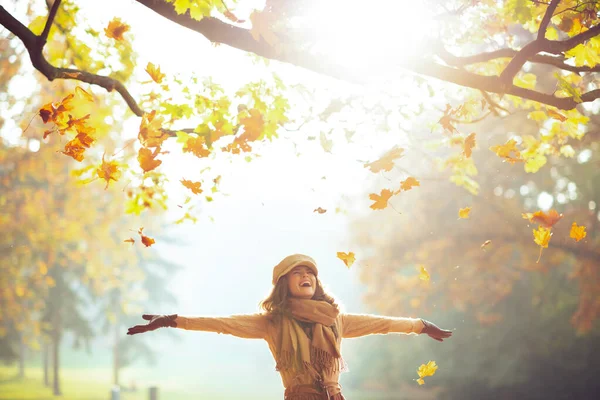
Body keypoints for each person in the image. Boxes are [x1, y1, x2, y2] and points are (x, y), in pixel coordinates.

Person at [127, 254, 453, 399]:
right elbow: (221, 324)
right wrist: (171, 320)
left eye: (310, 271)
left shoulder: (334, 319)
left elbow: (382, 324)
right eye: (297, 272)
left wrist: (421, 325)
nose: (306, 276)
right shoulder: (271, 322)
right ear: (284, 282)